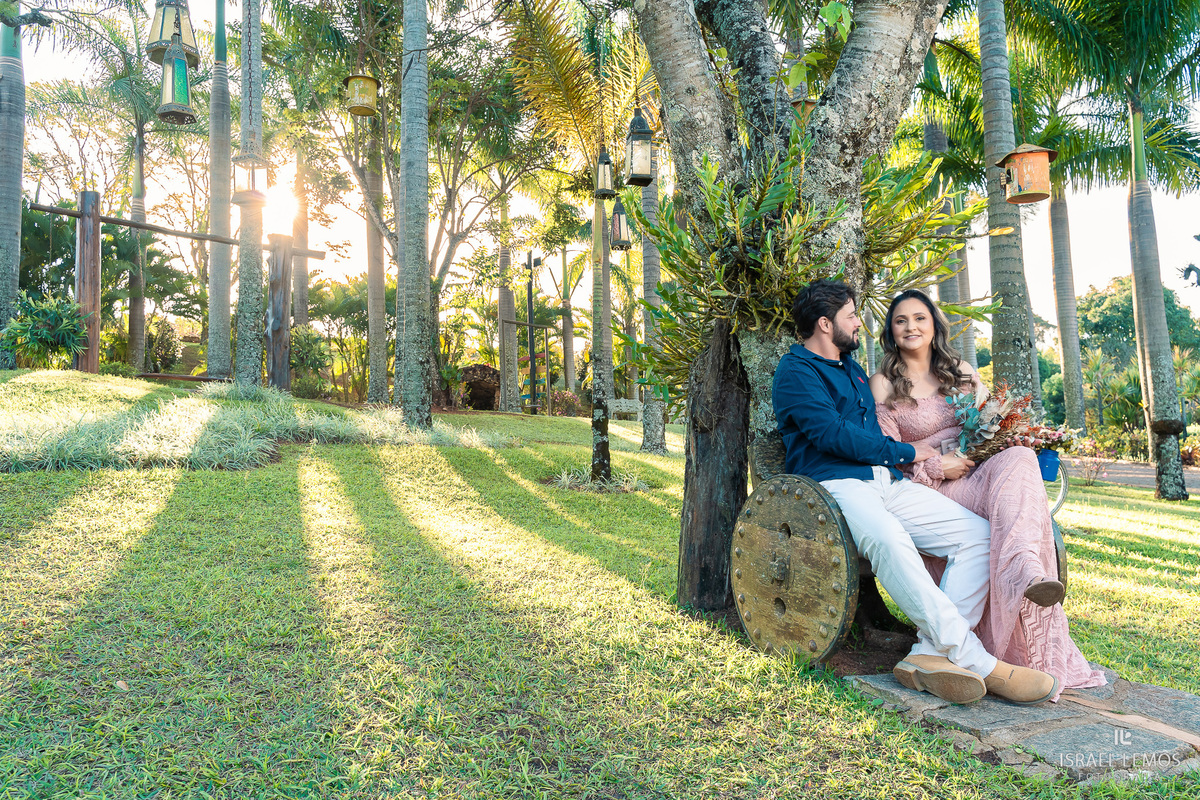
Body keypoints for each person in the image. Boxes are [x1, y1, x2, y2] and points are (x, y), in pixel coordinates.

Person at [773, 279, 1059, 706]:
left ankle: (927, 655)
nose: (858, 323)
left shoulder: (850, 368)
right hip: (835, 485)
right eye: (851, 316)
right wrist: (908, 451)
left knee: (977, 536)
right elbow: (832, 435)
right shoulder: (796, 372)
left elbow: (872, 432)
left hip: (885, 480)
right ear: (825, 324)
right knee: (890, 540)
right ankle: (979, 662)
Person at [869, 289, 1106, 699]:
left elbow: (987, 422)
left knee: (1020, 456)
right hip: (932, 487)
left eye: (919, 318)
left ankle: (1025, 568)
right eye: (901, 320)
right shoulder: (883, 384)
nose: (911, 327)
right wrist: (936, 465)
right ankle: (943, 649)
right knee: (992, 502)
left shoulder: (959, 371)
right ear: (891, 331)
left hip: (978, 471)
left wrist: (995, 442)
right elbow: (886, 454)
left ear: (934, 324)